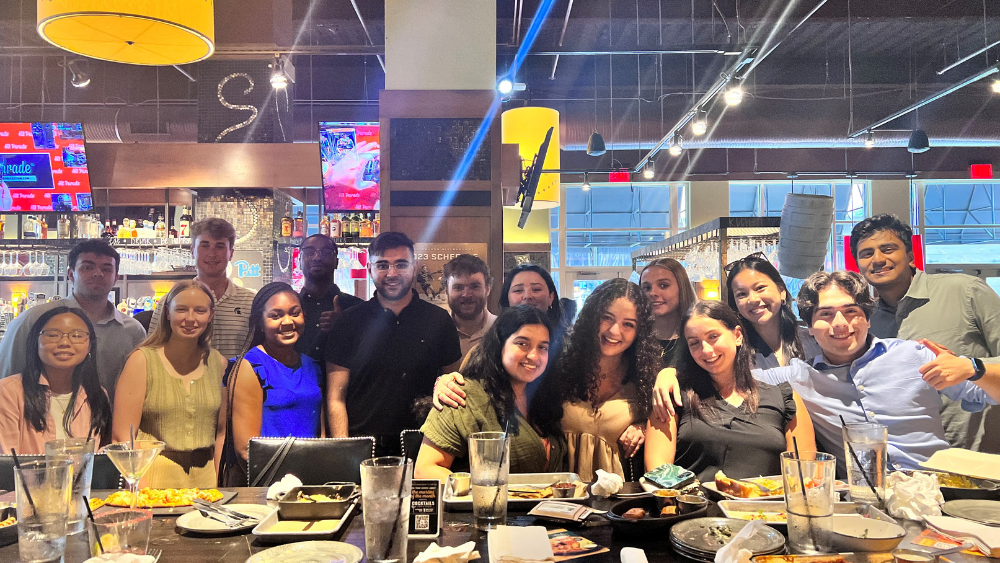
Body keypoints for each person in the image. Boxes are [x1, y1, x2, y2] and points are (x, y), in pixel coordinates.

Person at [651, 271, 1000, 474]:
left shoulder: (914, 354)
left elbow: (988, 394)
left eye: (851, 312)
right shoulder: (800, 377)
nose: (840, 325)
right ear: (809, 326)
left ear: (867, 313)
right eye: (826, 316)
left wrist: (975, 368)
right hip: (859, 502)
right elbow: (726, 374)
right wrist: (670, 373)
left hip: (936, 487)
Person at [851, 214, 1000, 453]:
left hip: (979, 461)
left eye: (888, 249)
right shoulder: (868, 323)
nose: (877, 260)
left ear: (910, 256)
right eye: (866, 253)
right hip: (909, 471)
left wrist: (971, 367)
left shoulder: (966, 291)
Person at [644, 300, 815, 481]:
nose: (706, 350)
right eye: (694, 343)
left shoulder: (785, 397)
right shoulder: (674, 395)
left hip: (766, 507)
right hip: (695, 506)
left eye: (713, 336)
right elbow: (658, 468)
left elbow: (802, 473)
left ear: (737, 335)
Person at [326, 232, 463, 456]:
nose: (392, 273)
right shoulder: (348, 322)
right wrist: (343, 453)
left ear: (415, 267)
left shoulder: (439, 321)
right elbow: (335, 399)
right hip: (363, 449)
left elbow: (452, 389)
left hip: (426, 446)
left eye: (401, 264)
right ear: (369, 268)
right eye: (382, 265)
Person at [650, 254, 822, 421]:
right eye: (741, 294)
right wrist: (668, 372)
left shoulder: (815, 339)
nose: (753, 299)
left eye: (760, 288)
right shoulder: (733, 348)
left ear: (782, 291)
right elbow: (697, 373)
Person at [415, 305, 566, 480]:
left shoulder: (545, 399)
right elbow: (425, 469)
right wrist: (486, 495)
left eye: (543, 347)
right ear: (500, 344)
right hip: (483, 506)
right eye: (522, 343)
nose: (533, 356)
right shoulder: (464, 395)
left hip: (547, 506)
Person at [534, 278, 660, 481]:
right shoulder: (559, 365)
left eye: (628, 324)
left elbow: (667, 426)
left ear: (640, 332)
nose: (614, 331)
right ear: (592, 317)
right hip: (561, 497)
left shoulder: (645, 378)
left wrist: (644, 426)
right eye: (607, 318)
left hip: (618, 503)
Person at [0, 240, 146, 404]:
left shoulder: (133, 331)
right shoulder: (34, 319)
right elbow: (8, 375)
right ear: (71, 274)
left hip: (111, 425)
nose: (98, 273)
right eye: (87, 267)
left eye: (106, 269)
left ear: (116, 278)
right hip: (41, 424)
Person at [114, 280, 227, 488]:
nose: (190, 318)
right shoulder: (142, 360)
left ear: (211, 315)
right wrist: (142, 486)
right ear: (168, 313)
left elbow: (220, 433)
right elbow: (123, 435)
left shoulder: (218, 363)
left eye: (200, 311)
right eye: (181, 310)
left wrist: (220, 484)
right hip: (153, 479)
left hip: (206, 483)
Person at [216, 283, 324, 486]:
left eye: (295, 313)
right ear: (260, 322)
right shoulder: (250, 366)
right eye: (276, 316)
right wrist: (287, 484)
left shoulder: (313, 365)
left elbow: (323, 435)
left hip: (312, 482)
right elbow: (246, 449)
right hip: (269, 484)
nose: (287, 322)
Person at [434, 264, 566, 410]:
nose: (528, 296)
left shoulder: (570, 348)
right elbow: (462, 390)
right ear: (507, 299)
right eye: (518, 290)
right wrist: (445, 383)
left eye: (536, 289)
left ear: (551, 297)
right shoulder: (486, 348)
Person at [0, 307, 112, 454]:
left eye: (77, 336)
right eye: (52, 335)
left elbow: (101, 460)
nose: (64, 342)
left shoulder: (97, 395)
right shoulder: (8, 392)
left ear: (89, 346)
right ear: (36, 342)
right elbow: (7, 463)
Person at [148, 218, 255, 359]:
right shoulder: (169, 302)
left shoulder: (251, 303)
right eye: (205, 245)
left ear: (231, 253)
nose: (212, 253)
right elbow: (152, 353)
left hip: (237, 381)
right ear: (193, 251)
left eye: (220, 246)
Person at [296, 235, 363, 366]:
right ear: (299, 261)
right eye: (309, 252)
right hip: (294, 385)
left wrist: (344, 328)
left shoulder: (358, 308)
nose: (317, 257)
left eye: (326, 253)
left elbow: (368, 355)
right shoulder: (289, 309)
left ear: (336, 262)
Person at [639, 258, 698, 366]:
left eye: (663, 285)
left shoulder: (698, 339)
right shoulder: (635, 339)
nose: (653, 293)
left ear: (681, 288)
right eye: (646, 288)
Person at [443, 254, 497, 359]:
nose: (466, 294)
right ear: (446, 292)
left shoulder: (502, 329)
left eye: (475, 286)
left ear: (488, 289)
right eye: (458, 287)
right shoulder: (436, 332)